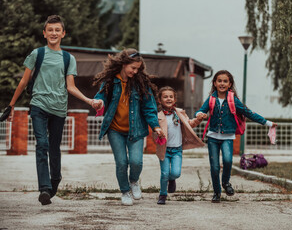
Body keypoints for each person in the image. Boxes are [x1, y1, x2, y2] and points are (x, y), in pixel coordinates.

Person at [4, 15, 97, 205]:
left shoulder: (68, 58)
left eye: (57, 30)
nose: (53, 33)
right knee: (42, 144)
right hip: (38, 104)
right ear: (44, 33)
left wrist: (89, 100)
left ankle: (55, 180)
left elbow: (70, 86)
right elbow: (24, 81)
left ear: (63, 33)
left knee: (54, 147)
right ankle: (44, 188)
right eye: (50, 30)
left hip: (59, 108)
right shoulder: (36, 54)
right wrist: (11, 105)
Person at [92, 48, 164, 206]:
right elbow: (101, 96)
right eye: (133, 68)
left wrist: (156, 126)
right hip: (115, 130)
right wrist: (98, 102)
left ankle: (133, 181)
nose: (135, 71)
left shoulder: (141, 83)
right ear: (124, 64)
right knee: (122, 162)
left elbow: (149, 108)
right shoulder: (111, 81)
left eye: (138, 68)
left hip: (136, 130)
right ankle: (125, 192)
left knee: (136, 162)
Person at [195, 70, 277, 203]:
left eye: (225, 81)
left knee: (228, 161)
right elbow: (200, 111)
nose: (222, 83)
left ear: (230, 84)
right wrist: (199, 114)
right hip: (212, 138)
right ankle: (216, 192)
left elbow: (249, 113)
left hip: (228, 136)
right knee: (214, 167)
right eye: (219, 81)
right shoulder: (211, 99)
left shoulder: (233, 99)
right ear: (215, 83)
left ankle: (226, 183)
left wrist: (268, 123)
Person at [153, 86, 205, 205]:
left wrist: (198, 120)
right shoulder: (158, 116)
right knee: (164, 173)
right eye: (165, 97)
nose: (168, 99)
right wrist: (157, 134)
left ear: (175, 99)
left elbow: (190, 124)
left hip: (177, 149)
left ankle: (172, 179)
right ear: (160, 100)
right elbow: (154, 134)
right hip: (164, 149)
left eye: (171, 96)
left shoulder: (180, 113)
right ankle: (162, 194)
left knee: (176, 173)